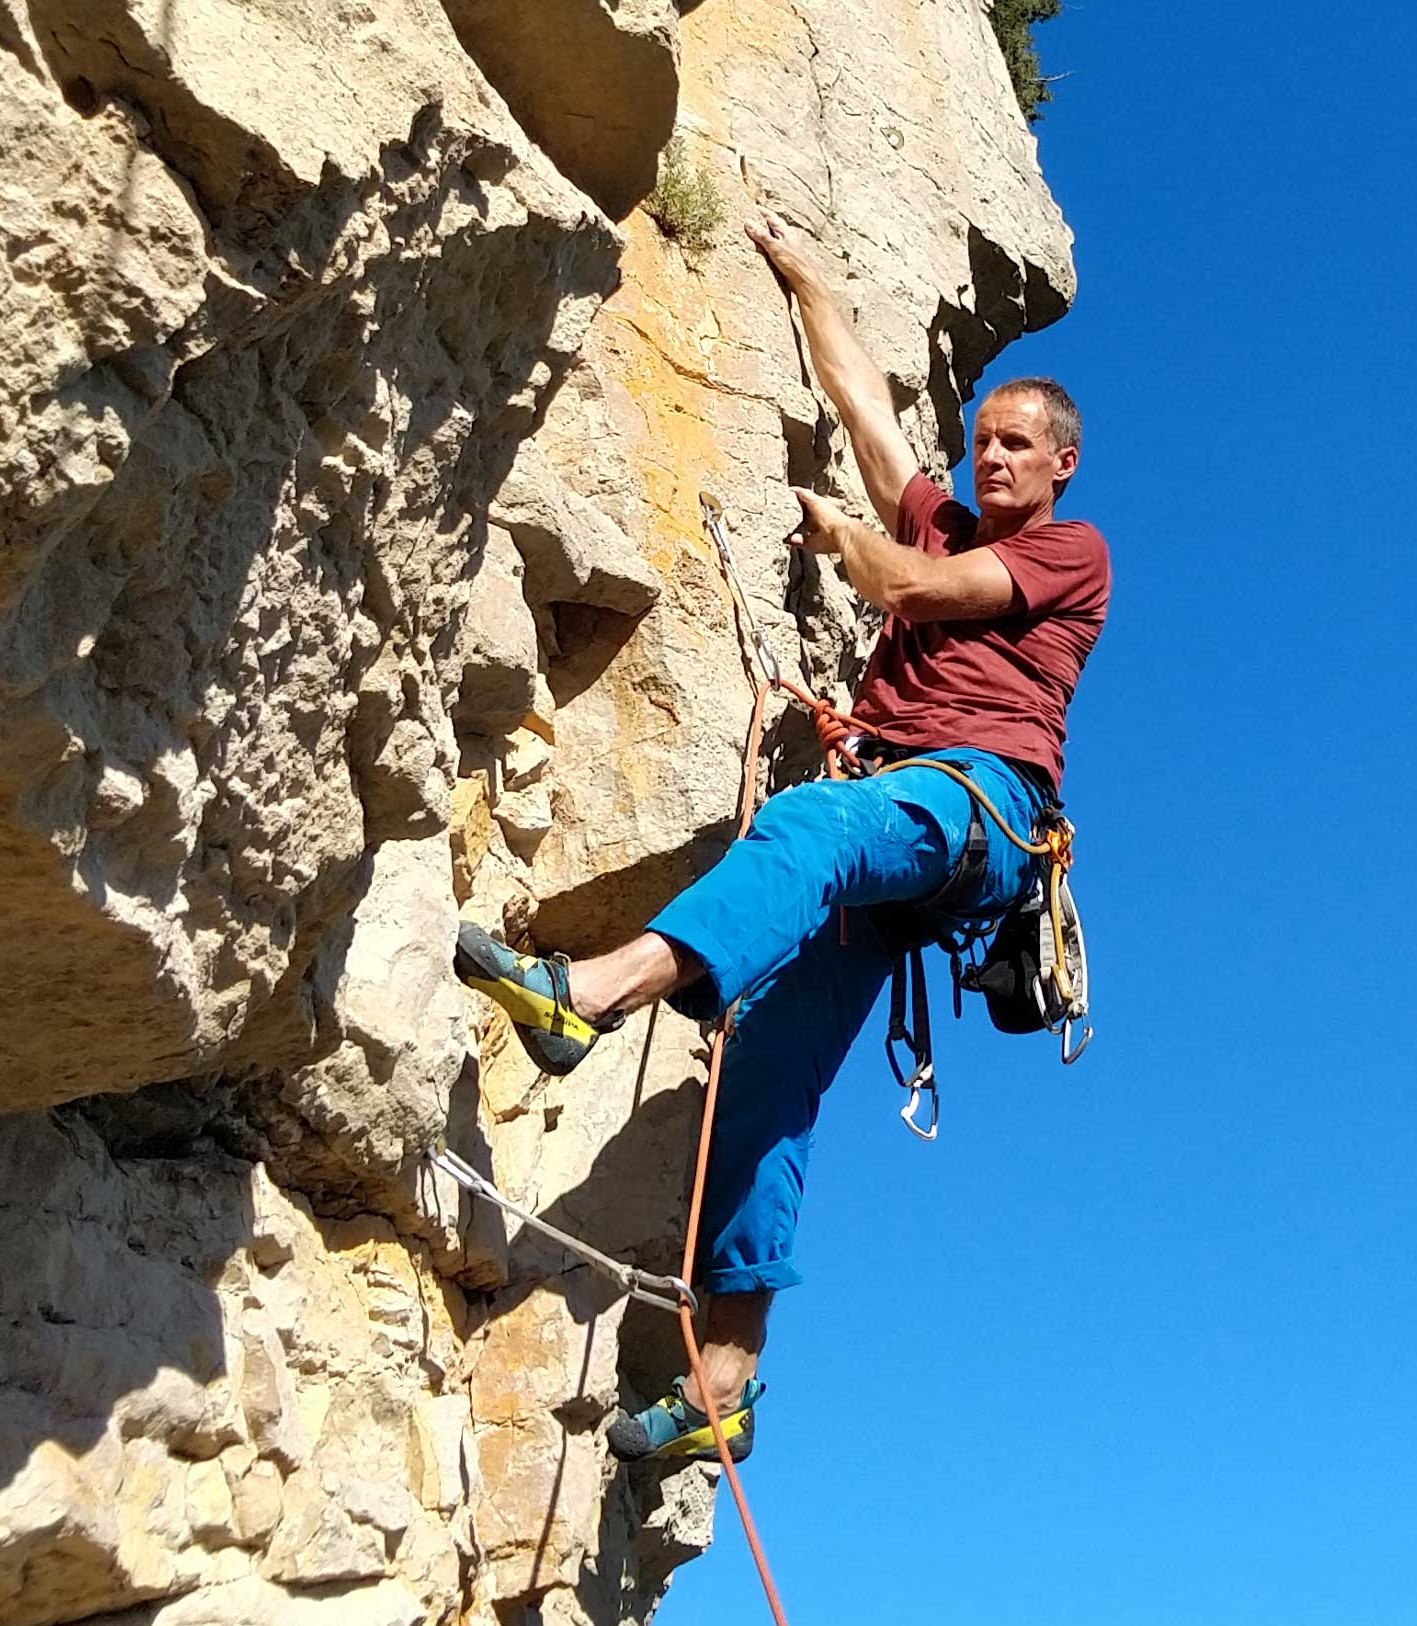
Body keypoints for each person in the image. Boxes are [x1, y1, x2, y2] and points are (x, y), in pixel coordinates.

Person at [455, 211, 1110, 1462]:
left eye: (1017, 446)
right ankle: (726, 1389)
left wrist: (848, 539)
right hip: (901, 839)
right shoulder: (941, 515)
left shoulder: (1070, 554)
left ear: (1063, 462)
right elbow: (865, 408)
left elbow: (915, 590)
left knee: (811, 821)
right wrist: (806, 276)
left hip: (977, 805)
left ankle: (589, 997)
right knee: (763, 1076)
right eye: (981, 443)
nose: (991, 462)